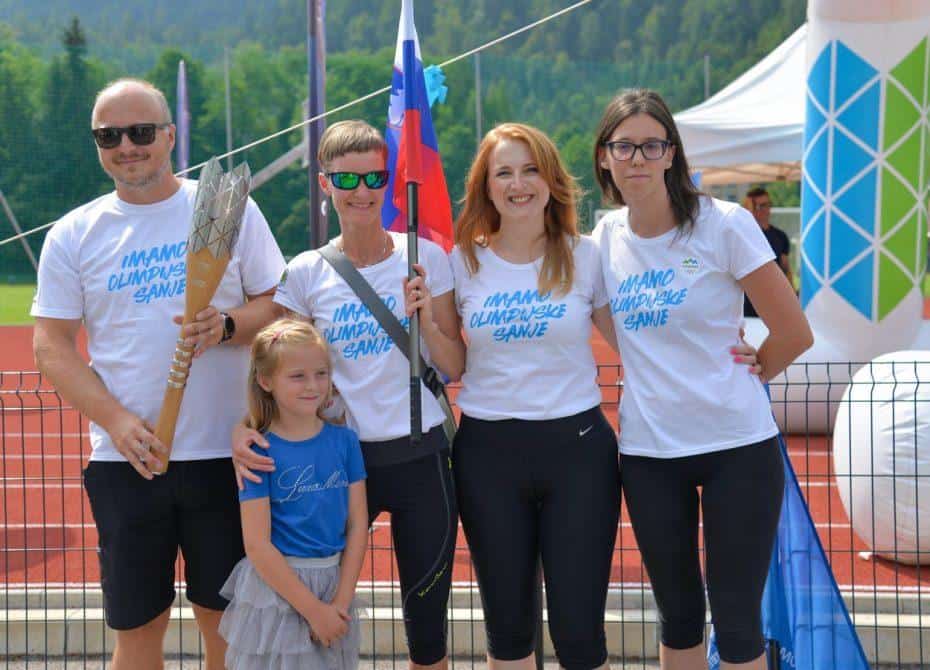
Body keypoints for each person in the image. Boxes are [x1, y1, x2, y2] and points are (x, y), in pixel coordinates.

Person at [31, 78, 285, 670]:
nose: (127, 146)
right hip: (129, 462)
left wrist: (227, 325)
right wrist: (117, 422)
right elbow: (51, 346)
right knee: (138, 629)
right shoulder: (74, 233)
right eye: (109, 135)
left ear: (170, 136)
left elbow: (278, 305)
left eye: (141, 131)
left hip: (227, 457)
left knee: (228, 629)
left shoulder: (224, 210)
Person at [591, 89, 813, 670]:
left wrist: (756, 369)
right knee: (679, 616)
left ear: (671, 153)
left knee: (737, 622)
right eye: (623, 146)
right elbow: (613, 329)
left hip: (737, 449)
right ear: (604, 157)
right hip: (650, 455)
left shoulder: (724, 224)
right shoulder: (604, 240)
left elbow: (794, 330)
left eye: (651, 145)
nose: (637, 158)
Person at [232, 119, 462, 670]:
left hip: (421, 455)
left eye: (375, 178)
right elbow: (280, 368)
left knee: (427, 632)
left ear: (390, 181)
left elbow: (454, 365)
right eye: (347, 179)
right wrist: (244, 428)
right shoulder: (306, 273)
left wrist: (427, 320)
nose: (362, 191)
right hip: (337, 460)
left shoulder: (425, 257)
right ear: (325, 183)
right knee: (319, 612)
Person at [426, 122, 622, 670]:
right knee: (509, 632)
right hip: (488, 455)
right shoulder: (462, 262)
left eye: (531, 170)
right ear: (485, 187)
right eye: (504, 173)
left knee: (579, 634)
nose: (518, 184)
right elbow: (453, 364)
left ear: (551, 180)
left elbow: (635, 343)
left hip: (578, 453)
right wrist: (425, 322)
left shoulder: (586, 256)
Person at [219, 319, 367, 669]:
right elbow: (257, 545)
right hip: (278, 592)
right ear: (265, 381)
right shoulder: (258, 451)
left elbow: (358, 525)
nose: (313, 385)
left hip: (334, 587)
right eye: (297, 376)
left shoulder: (345, 442)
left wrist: (339, 604)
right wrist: (314, 611)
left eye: (321, 373)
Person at [742, 186, 794, 317]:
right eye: (760, 206)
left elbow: (786, 269)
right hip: (747, 304)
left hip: (774, 301)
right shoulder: (743, 235)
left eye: (767, 204)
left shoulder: (780, 236)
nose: (765, 209)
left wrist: (792, 296)